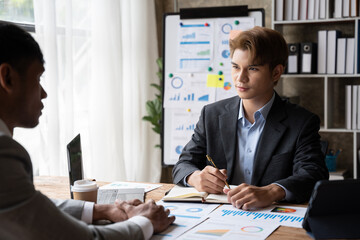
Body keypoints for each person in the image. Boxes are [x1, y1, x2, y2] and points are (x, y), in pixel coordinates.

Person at [0, 22, 174, 240]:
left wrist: (104, 210)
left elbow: (28, 205)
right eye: (37, 79)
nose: (43, 93)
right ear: (7, 77)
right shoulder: (3, 152)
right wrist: (146, 222)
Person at [172, 26, 329, 210]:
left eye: (252, 68)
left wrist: (272, 191)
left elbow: (313, 174)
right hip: (217, 215)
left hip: (271, 217)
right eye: (235, 67)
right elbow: (183, 164)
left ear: (276, 73)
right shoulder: (211, 115)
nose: (240, 78)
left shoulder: (301, 122)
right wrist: (195, 177)